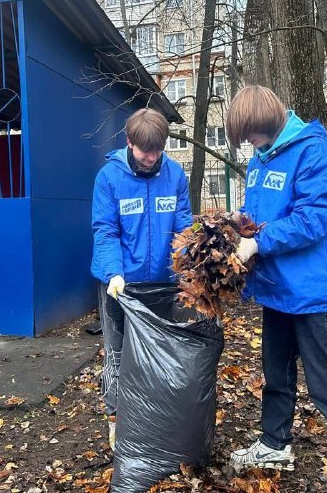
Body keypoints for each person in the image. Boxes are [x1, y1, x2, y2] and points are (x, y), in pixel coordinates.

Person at [225, 85, 327, 493]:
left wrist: (259, 242)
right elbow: (266, 214)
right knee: (276, 373)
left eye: (249, 134)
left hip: (314, 290)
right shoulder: (261, 159)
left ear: (267, 122)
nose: (247, 143)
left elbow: (315, 217)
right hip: (278, 288)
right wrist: (241, 223)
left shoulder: (314, 153)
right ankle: (274, 443)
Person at [91, 108, 192, 451]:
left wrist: (189, 268)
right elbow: (105, 231)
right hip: (121, 285)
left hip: (164, 284)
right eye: (144, 151)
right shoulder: (108, 178)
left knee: (160, 353)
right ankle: (116, 422)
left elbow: (183, 228)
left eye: (157, 151)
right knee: (119, 356)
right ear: (129, 142)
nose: (151, 158)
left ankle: (154, 418)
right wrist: (114, 274)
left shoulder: (175, 175)